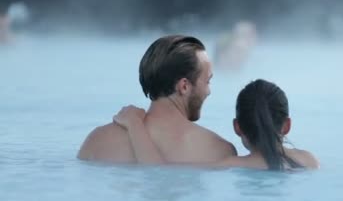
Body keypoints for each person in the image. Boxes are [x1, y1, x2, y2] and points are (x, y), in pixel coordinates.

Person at [77, 35, 236, 164]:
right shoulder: (218, 151)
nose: (209, 91)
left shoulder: (97, 141)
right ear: (184, 87)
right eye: (207, 81)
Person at [114, 79, 320, 171]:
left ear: (237, 127)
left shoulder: (229, 166)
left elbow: (156, 172)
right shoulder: (309, 162)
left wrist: (134, 125)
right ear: (287, 126)